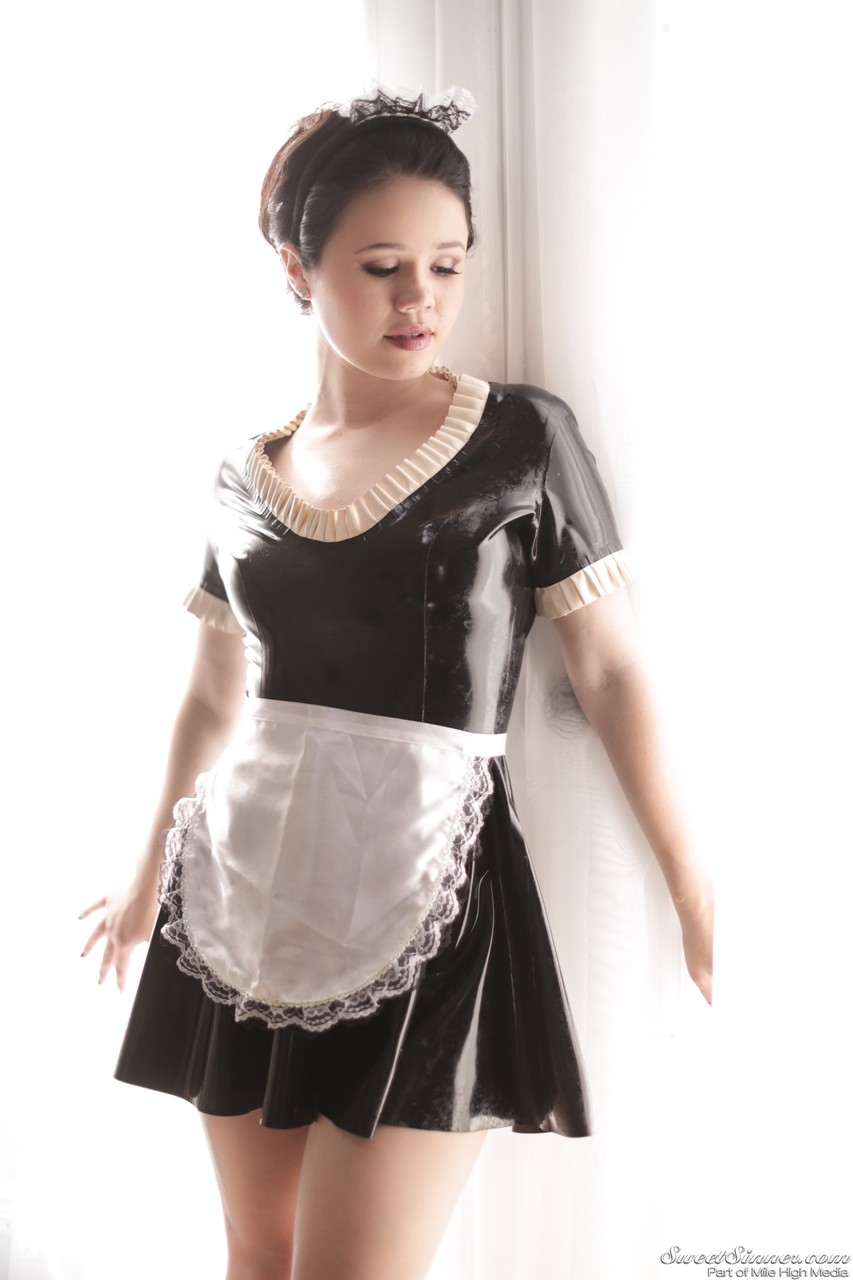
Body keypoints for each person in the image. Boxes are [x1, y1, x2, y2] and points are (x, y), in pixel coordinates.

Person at [80, 85, 713, 1280]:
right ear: (297, 266)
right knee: (258, 1250)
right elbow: (211, 695)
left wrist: (689, 876)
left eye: (446, 264)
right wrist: (140, 872)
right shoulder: (241, 475)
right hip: (244, 886)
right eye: (381, 268)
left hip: (438, 887)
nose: (419, 297)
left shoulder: (521, 438)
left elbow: (612, 668)